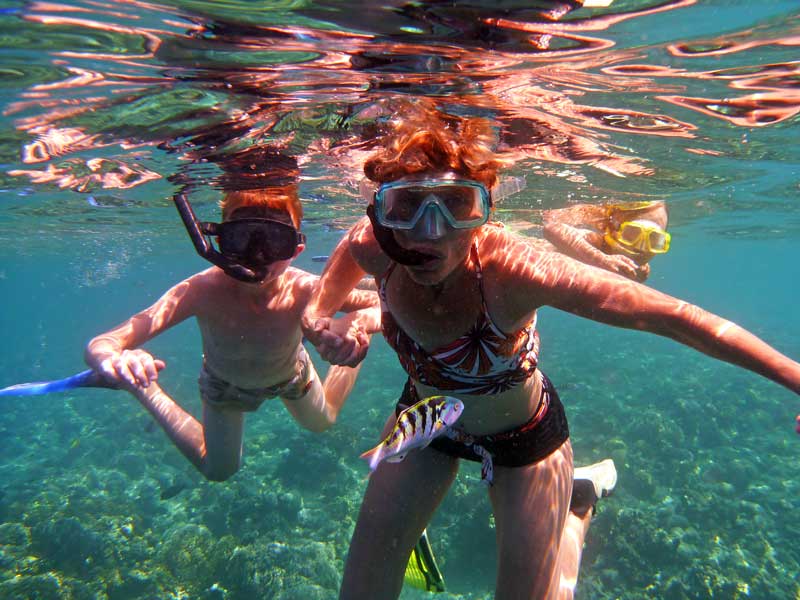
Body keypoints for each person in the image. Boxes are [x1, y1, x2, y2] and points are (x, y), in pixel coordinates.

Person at [300, 101, 800, 600]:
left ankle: (577, 508)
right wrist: (321, 326)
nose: (432, 232)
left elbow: (676, 317)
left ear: (485, 209)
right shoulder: (371, 245)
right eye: (407, 206)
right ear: (380, 209)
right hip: (426, 421)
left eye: (456, 204)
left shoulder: (516, 271)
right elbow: (320, 304)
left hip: (526, 438)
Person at [85, 184, 379, 482]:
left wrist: (356, 324)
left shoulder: (306, 289)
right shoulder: (200, 290)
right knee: (220, 469)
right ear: (219, 241)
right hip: (224, 384)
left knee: (323, 421)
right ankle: (144, 389)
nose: (257, 255)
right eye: (242, 238)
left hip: (290, 373)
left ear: (295, 250)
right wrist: (114, 360)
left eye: (274, 241)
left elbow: (381, 304)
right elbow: (103, 343)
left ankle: (352, 360)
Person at [542, 200, 669, 282]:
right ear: (613, 230)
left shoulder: (636, 267)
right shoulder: (596, 242)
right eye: (632, 234)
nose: (641, 248)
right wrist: (600, 259)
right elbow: (552, 228)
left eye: (654, 240)